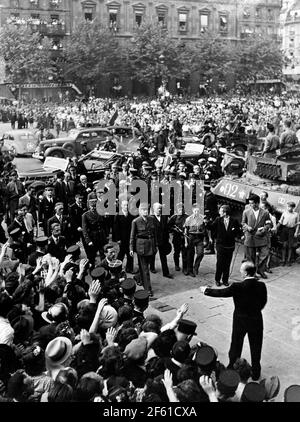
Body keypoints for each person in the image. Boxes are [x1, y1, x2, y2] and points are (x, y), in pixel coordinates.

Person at [200, 261, 267, 381]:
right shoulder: (261, 286)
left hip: (240, 321)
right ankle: (256, 372)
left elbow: (222, 292)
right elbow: (263, 302)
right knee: (256, 347)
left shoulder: (237, 286)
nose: (240, 271)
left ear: (246, 273)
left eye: (241, 270)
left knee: (236, 345)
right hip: (256, 320)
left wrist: (207, 290)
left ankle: (232, 369)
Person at [242, 194, 271, 279]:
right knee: (251, 257)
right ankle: (252, 274)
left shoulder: (265, 213)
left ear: (257, 203)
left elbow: (269, 223)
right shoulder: (246, 212)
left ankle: (261, 270)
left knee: (265, 254)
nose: (250, 205)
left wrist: (264, 229)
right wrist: (247, 227)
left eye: (252, 203)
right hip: (250, 237)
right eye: (250, 203)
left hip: (261, 236)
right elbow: (243, 223)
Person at [130, 203, 157, 297]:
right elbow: (132, 236)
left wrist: (155, 245)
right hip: (141, 247)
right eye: (143, 210)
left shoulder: (152, 219)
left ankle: (138, 277)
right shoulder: (135, 221)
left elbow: (154, 233)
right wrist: (131, 248)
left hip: (151, 245)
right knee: (145, 269)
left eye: (147, 210)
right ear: (140, 211)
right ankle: (148, 289)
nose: (145, 212)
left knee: (144, 267)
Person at [211, 205, 241, 286]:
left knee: (227, 264)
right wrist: (206, 223)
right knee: (220, 263)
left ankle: (225, 280)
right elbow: (212, 227)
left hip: (230, 246)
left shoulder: (234, 221)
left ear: (225, 213)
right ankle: (217, 279)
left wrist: (240, 235)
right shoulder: (218, 220)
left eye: (220, 211)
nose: (219, 212)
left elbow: (238, 231)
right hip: (220, 245)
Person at [82, 195, 107, 268]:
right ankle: (92, 270)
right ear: (89, 206)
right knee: (92, 256)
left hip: (101, 236)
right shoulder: (85, 215)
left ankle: (104, 269)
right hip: (92, 237)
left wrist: (106, 235)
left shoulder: (100, 213)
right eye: (92, 206)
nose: (93, 208)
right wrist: (88, 240)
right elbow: (84, 229)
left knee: (103, 254)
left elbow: (104, 225)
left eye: (95, 206)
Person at [150, 203, 172, 279]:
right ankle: (152, 267)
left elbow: (167, 228)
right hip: (154, 240)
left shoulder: (165, 217)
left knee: (163, 257)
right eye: (158, 209)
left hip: (163, 240)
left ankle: (166, 273)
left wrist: (167, 239)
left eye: (160, 208)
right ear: (154, 209)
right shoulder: (150, 218)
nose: (159, 210)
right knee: (152, 255)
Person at [184, 204, 207, 277]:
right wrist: (185, 242)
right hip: (191, 237)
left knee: (200, 253)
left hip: (199, 238)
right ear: (192, 211)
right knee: (190, 255)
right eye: (195, 211)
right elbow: (185, 231)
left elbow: (205, 230)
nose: (196, 212)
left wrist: (206, 239)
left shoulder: (202, 219)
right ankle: (190, 271)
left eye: (198, 211)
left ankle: (196, 267)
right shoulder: (188, 219)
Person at [112, 200, 134, 274]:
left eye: (127, 205)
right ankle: (117, 268)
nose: (126, 207)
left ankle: (129, 268)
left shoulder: (131, 215)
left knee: (130, 253)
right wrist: (118, 239)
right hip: (121, 238)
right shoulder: (118, 215)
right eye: (124, 205)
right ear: (121, 206)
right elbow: (116, 228)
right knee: (121, 253)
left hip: (129, 237)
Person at [277, 201, 299, 266]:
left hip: (291, 230)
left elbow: (298, 224)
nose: (289, 208)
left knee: (290, 246)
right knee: (284, 245)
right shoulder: (284, 213)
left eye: (291, 207)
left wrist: (296, 232)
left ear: (293, 208)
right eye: (288, 207)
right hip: (284, 229)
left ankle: (288, 260)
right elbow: (280, 221)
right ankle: (283, 260)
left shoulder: (296, 214)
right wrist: (276, 228)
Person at [168, 202, 188, 273]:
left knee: (185, 253)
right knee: (176, 252)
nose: (181, 210)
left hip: (184, 238)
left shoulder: (187, 217)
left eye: (182, 208)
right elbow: (169, 226)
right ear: (176, 210)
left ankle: (185, 268)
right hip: (176, 238)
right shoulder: (174, 217)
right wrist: (174, 229)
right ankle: (176, 265)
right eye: (179, 209)